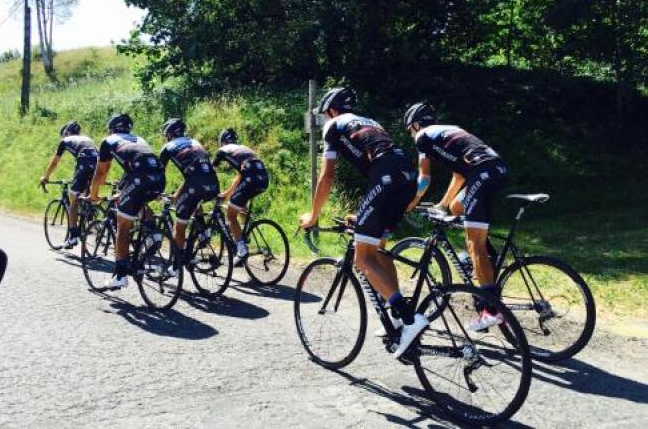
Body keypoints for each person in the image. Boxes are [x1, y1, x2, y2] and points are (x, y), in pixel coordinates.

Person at [299, 87, 427, 359]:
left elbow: (327, 177)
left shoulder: (334, 124)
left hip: (386, 177)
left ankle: (409, 317)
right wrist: (364, 216)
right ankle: (397, 318)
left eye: (325, 115)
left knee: (362, 259)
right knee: (378, 250)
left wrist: (313, 216)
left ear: (331, 110)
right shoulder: (369, 121)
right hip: (407, 177)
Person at [403, 101, 509, 331]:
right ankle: (489, 255)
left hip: (481, 173)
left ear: (416, 125)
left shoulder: (423, 136)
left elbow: (424, 178)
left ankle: (490, 311)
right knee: (457, 206)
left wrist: (412, 201)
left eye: (410, 130)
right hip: (496, 169)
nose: (412, 135)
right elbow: (459, 176)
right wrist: (442, 205)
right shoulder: (449, 130)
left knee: (473, 244)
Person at [88, 113, 166, 289]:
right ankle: (152, 234)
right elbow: (133, 168)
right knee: (138, 201)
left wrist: (94, 194)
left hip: (140, 178)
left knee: (122, 225)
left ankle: (120, 275)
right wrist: (122, 191)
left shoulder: (109, 141)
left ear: (111, 129)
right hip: (159, 178)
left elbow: (101, 172)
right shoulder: (138, 139)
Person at [159, 118, 219, 260]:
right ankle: (202, 233)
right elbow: (194, 174)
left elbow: (159, 173)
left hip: (195, 183)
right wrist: (178, 193)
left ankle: (177, 264)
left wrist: (157, 192)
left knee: (179, 226)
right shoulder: (194, 142)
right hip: (213, 183)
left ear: (169, 134)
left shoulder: (168, 147)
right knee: (194, 202)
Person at [212, 128, 268, 266]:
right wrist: (226, 194)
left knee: (230, 215)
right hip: (263, 180)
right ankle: (245, 232)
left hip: (250, 180)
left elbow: (211, 172)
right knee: (240, 204)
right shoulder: (243, 149)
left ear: (222, 142)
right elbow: (239, 178)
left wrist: (212, 191)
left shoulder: (222, 151)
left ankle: (242, 250)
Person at [40, 121, 98, 249]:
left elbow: (54, 162)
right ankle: (90, 214)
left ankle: (73, 237)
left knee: (73, 199)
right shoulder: (86, 138)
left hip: (84, 162)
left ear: (66, 133)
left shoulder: (65, 140)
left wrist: (46, 177)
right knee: (86, 192)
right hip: (98, 162)